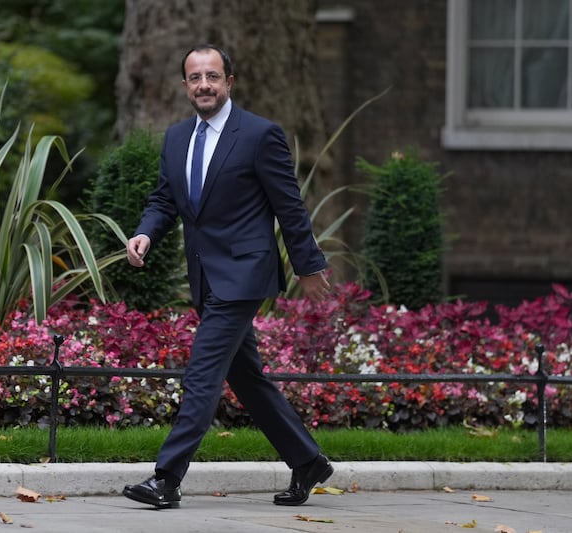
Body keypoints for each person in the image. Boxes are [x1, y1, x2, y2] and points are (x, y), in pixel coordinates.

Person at [123, 44, 333, 509]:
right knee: (248, 378)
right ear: (185, 85)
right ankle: (307, 460)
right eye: (195, 78)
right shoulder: (177, 138)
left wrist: (309, 265)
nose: (204, 85)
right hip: (205, 275)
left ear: (229, 82)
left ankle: (167, 479)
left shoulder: (260, 135)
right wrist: (145, 234)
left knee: (202, 374)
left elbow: (289, 206)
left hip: (244, 273)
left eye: (212, 77)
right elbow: (165, 200)